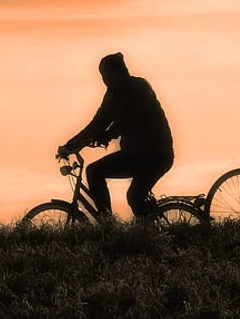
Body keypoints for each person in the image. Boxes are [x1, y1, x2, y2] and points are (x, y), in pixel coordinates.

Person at [57, 52, 175, 219]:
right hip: (134, 154)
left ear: (119, 72)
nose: (104, 79)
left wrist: (107, 135)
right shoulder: (113, 94)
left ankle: (141, 230)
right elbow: (98, 123)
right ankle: (107, 222)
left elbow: (131, 117)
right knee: (94, 171)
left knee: (134, 196)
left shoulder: (139, 88)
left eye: (107, 73)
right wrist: (70, 146)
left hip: (156, 155)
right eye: (101, 75)